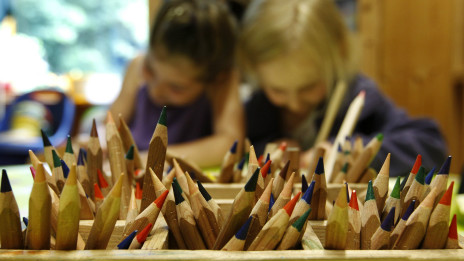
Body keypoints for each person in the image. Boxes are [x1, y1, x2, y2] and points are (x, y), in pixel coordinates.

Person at [239, 0, 447, 176]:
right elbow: (236, 154)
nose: (294, 104)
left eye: (308, 87)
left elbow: (431, 145)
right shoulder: (258, 108)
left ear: (340, 53)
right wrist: (266, 149)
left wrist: (358, 153)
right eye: (278, 90)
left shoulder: (359, 95)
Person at [110, 0, 244, 168]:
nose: (156, 89)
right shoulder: (136, 65)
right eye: (149, 70)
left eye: (176, 88)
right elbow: (110, 125)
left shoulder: (223, 81)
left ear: (214, 80)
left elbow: (230, 145)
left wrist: (156, 158)